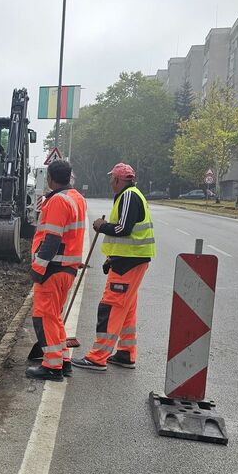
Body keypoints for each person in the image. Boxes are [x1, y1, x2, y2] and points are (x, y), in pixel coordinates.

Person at [72, 162, 156, 371]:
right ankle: (126, 353)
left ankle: (98, 357)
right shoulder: (131, 194)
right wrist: (112, 257)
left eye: (112, 179)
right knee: (127, 309)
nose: (110, 183)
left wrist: (102, 227)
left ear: (118, 179)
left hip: (129, 262)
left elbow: (123, 229)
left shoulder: (128, 195)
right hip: (130, 260)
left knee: (111, 307)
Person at [26, 160, 87, 381]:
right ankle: (64, 360)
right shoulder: (77, 198)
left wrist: (38, 268)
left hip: (53, 268)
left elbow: (51, 239)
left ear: (50, 178)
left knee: (44, 317)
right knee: (55, 316)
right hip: (67, 268)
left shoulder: (58, 201)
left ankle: (52, 367)